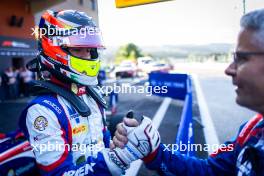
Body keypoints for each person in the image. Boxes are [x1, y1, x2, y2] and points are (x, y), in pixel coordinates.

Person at [112, 9, 264, 176]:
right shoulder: (252, 129)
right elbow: (208, 171)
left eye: (241, 58)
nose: (229, 69)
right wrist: (153, 151)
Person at [19, 10, 146, 176]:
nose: (87, 56)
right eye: (77, 49)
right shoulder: (42, 111)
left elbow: (102, 143)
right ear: (55, 48)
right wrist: (117, 160)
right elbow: (59, 174)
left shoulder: (91, 95)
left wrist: (119, 143)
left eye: (89, 49)